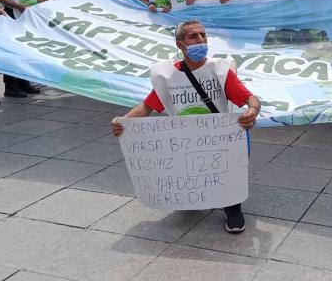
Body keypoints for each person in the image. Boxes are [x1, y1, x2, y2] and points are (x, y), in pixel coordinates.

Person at [110, 20, 261, 233]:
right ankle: (191, 198)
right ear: (180, 45)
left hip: (218, 138)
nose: (201, 40)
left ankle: (233, 208)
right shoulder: (168, 77)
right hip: (186, 139)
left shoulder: (220, 72)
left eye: (203, 35)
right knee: (188, 171)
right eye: (193, 37)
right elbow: (147, 107)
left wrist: (252, 111)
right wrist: (122, 122)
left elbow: (251, 99)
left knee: (228, 173)